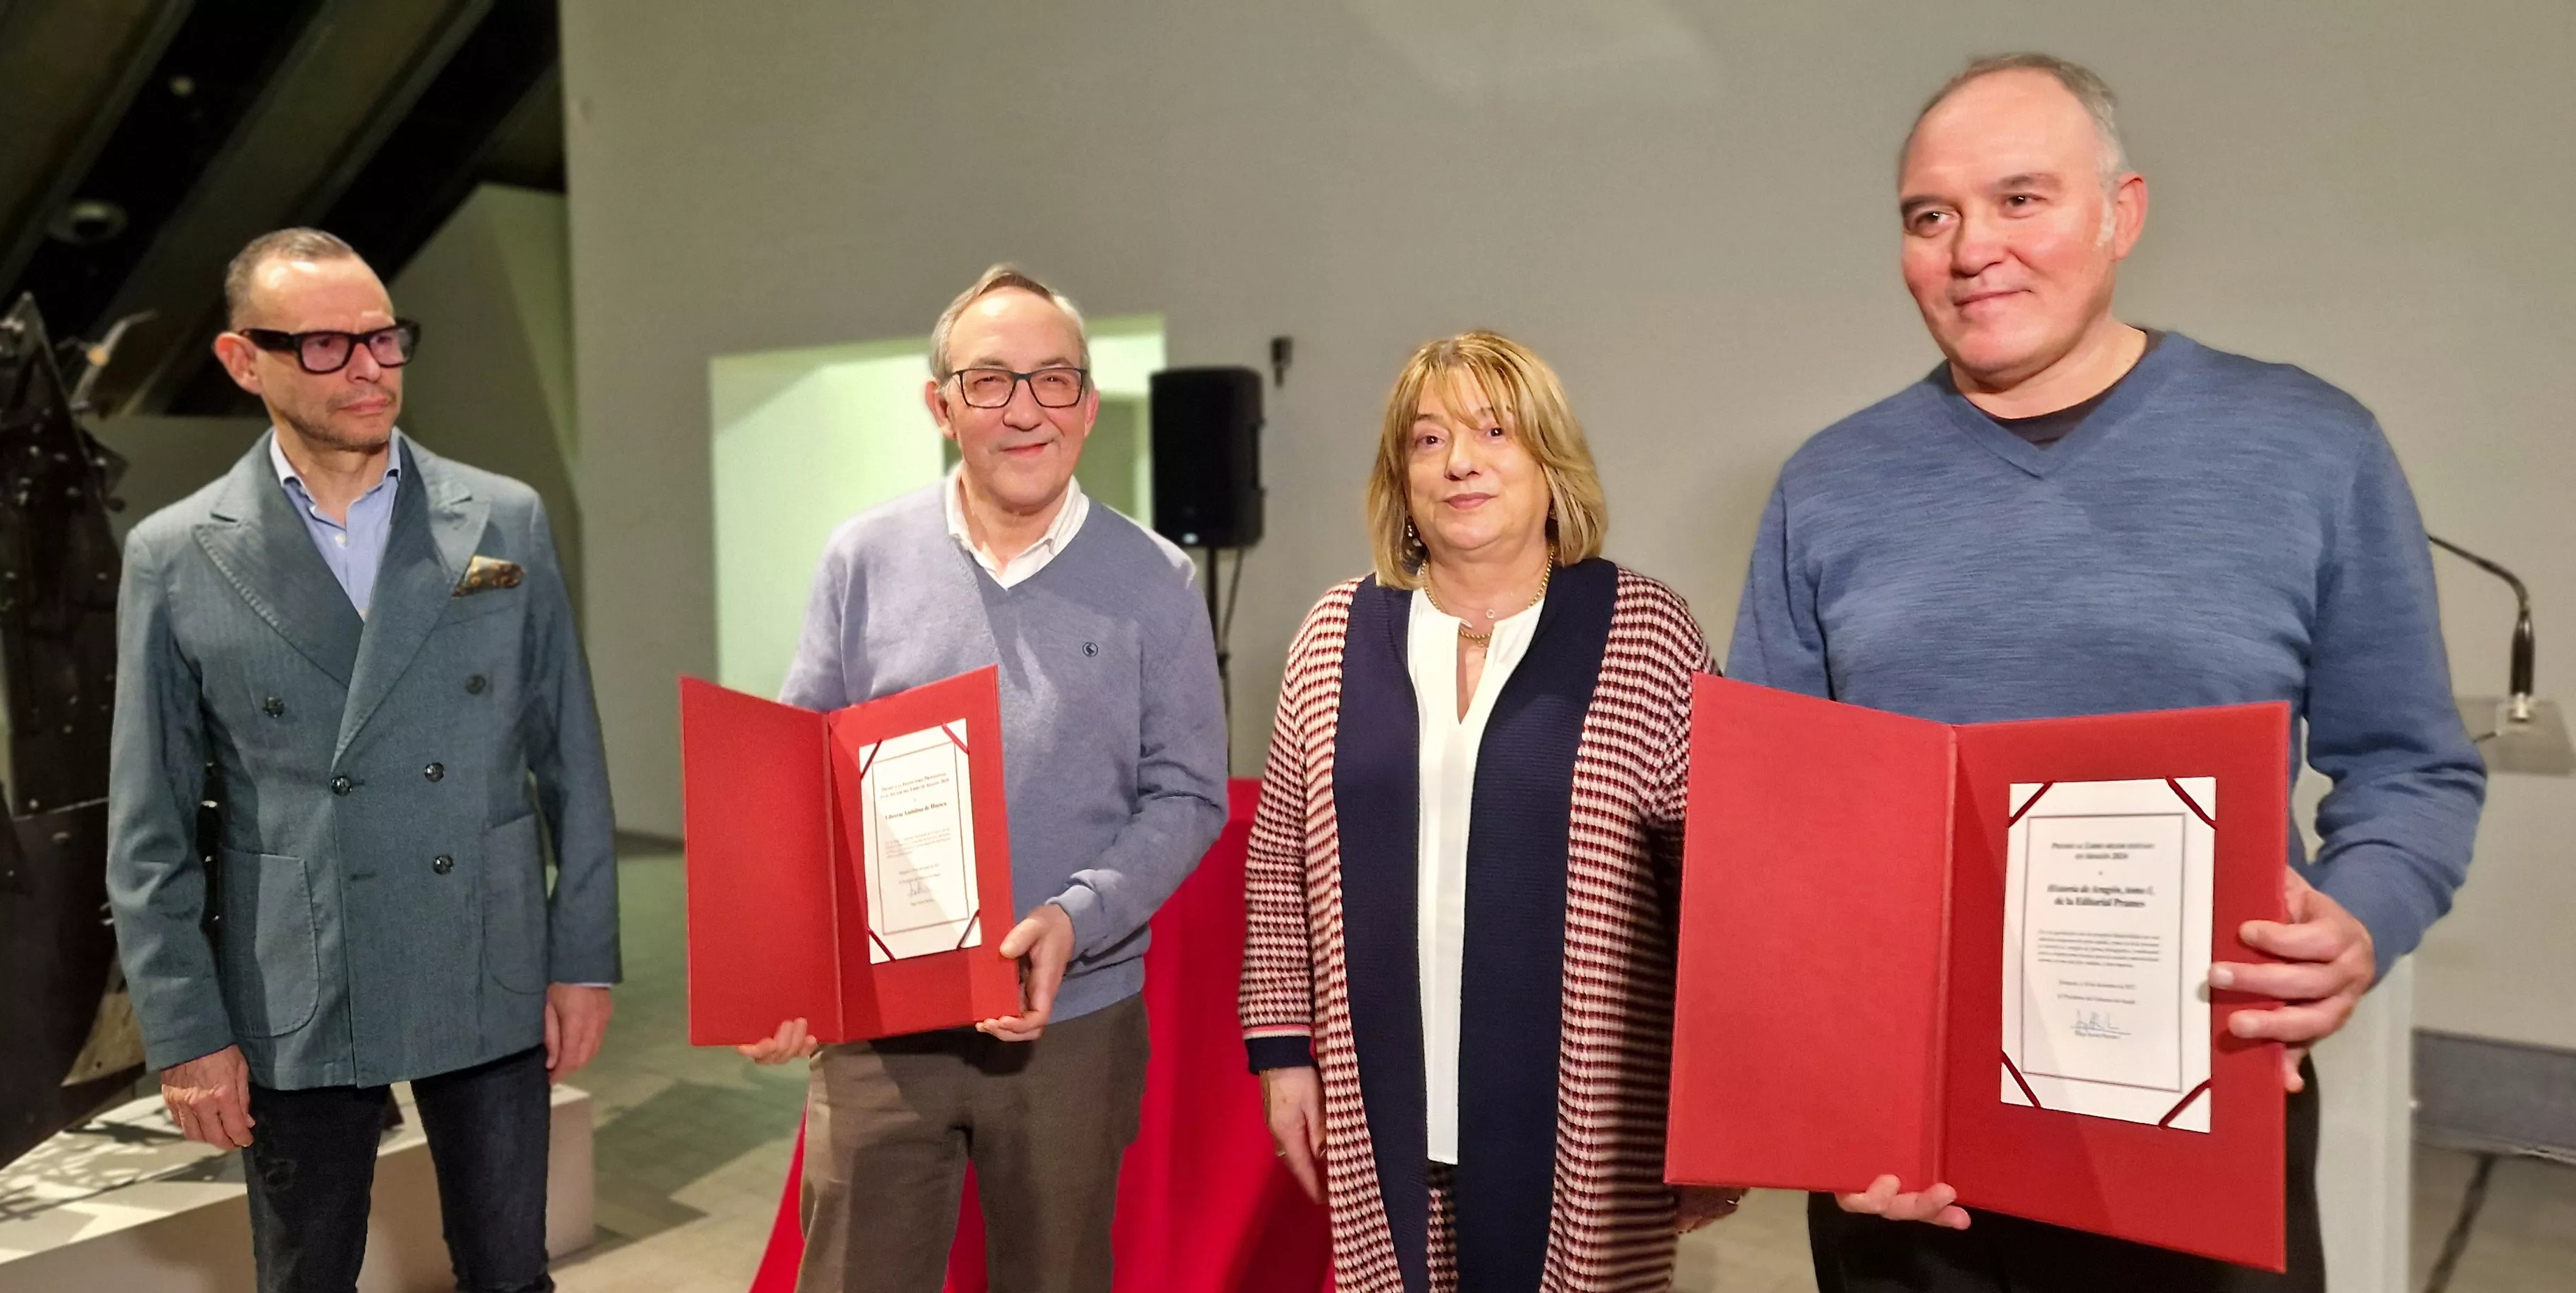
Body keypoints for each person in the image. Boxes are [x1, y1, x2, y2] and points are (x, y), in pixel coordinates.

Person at [1729, 55, 2486, 1293]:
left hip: (2204, 1127)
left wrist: (2360, 917)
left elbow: (2412, 766)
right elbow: (1772, 832)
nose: (1974, 249)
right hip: (1909, 1167)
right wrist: (1819, 1105)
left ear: (2121, 214)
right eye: (1931, 216)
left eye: (2020, 199)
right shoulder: (1828, 486)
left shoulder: (2310, 448)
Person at [108, 228, 619, 1293]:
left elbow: (570, 752)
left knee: (509, 1272)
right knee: (306, 1276)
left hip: (482, 946)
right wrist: (186, 1030)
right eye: (326, 346)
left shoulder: (503, 516)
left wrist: (582, 955)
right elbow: (148, 822)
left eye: (384, 339)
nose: (370, 369)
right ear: (244, 361)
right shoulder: (175, 553)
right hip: (298, 967)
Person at [739, 264, 1229, 1293]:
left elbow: (1189, 794)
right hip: (882, 1024)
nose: (1025, 409)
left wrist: (1075, 918)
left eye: (1054, 380)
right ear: (942, 405)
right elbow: (798, 774)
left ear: (1088, 405)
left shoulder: (1157, 579)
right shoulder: (863, 558)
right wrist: (782, 966)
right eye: (990, 381)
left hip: (1076, 1019)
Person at [1239, 331, 1736, 1293]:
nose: (1459, 462)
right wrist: (1284, 1055)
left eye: (1494, 431)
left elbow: (1716, 890)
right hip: (1383, 1102)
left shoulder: (1645, 631)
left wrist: (1717, 1107)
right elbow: (1278, 865)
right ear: (1402, 481)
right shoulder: (1336, 632)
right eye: (1428, 441)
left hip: (1591, 1115)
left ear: (1551, 461)